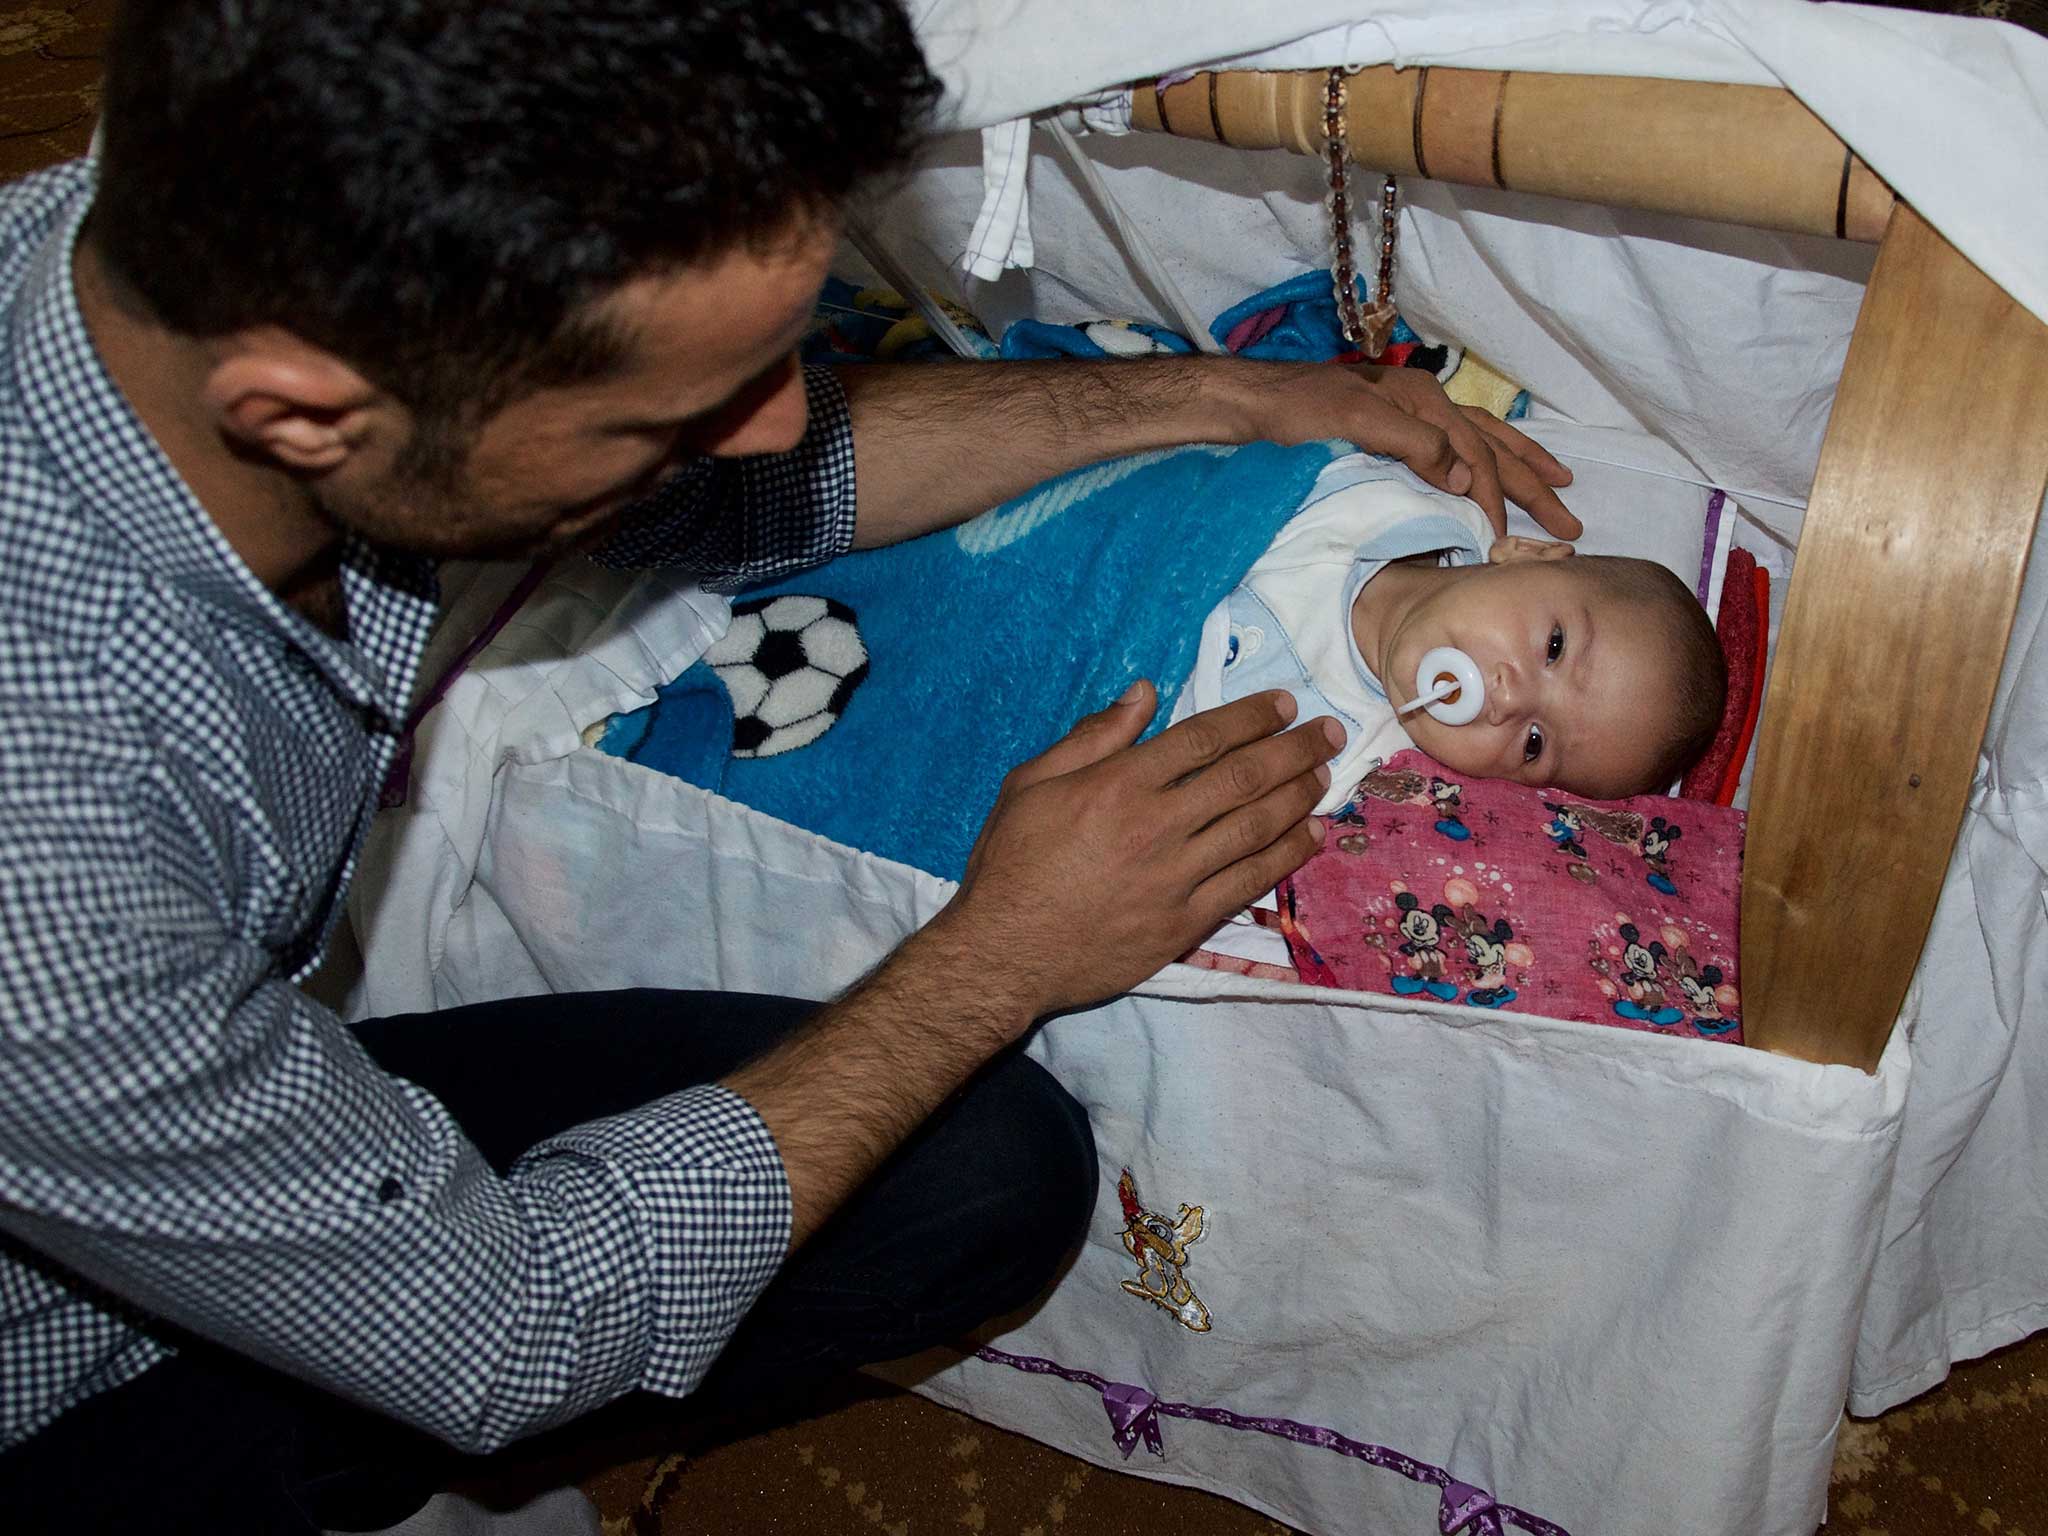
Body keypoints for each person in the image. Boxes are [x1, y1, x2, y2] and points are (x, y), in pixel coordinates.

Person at [0, 2, 1580, 1532]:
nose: (780, 431)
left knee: (982, 1175)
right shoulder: (54, 856)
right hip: (50, 1369)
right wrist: (1000, 953)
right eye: (670, 415)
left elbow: (748, 487)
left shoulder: (179, 254)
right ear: (304, 416)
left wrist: (1223, 397)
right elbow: (497, 1335)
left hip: (197, 1089)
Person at [1190, 454, 1724, 804]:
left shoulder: (1341, 764)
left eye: (1534, 744)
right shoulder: (1406, 484)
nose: (1509, 702)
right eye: (1554, 647)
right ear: (1528, 554)